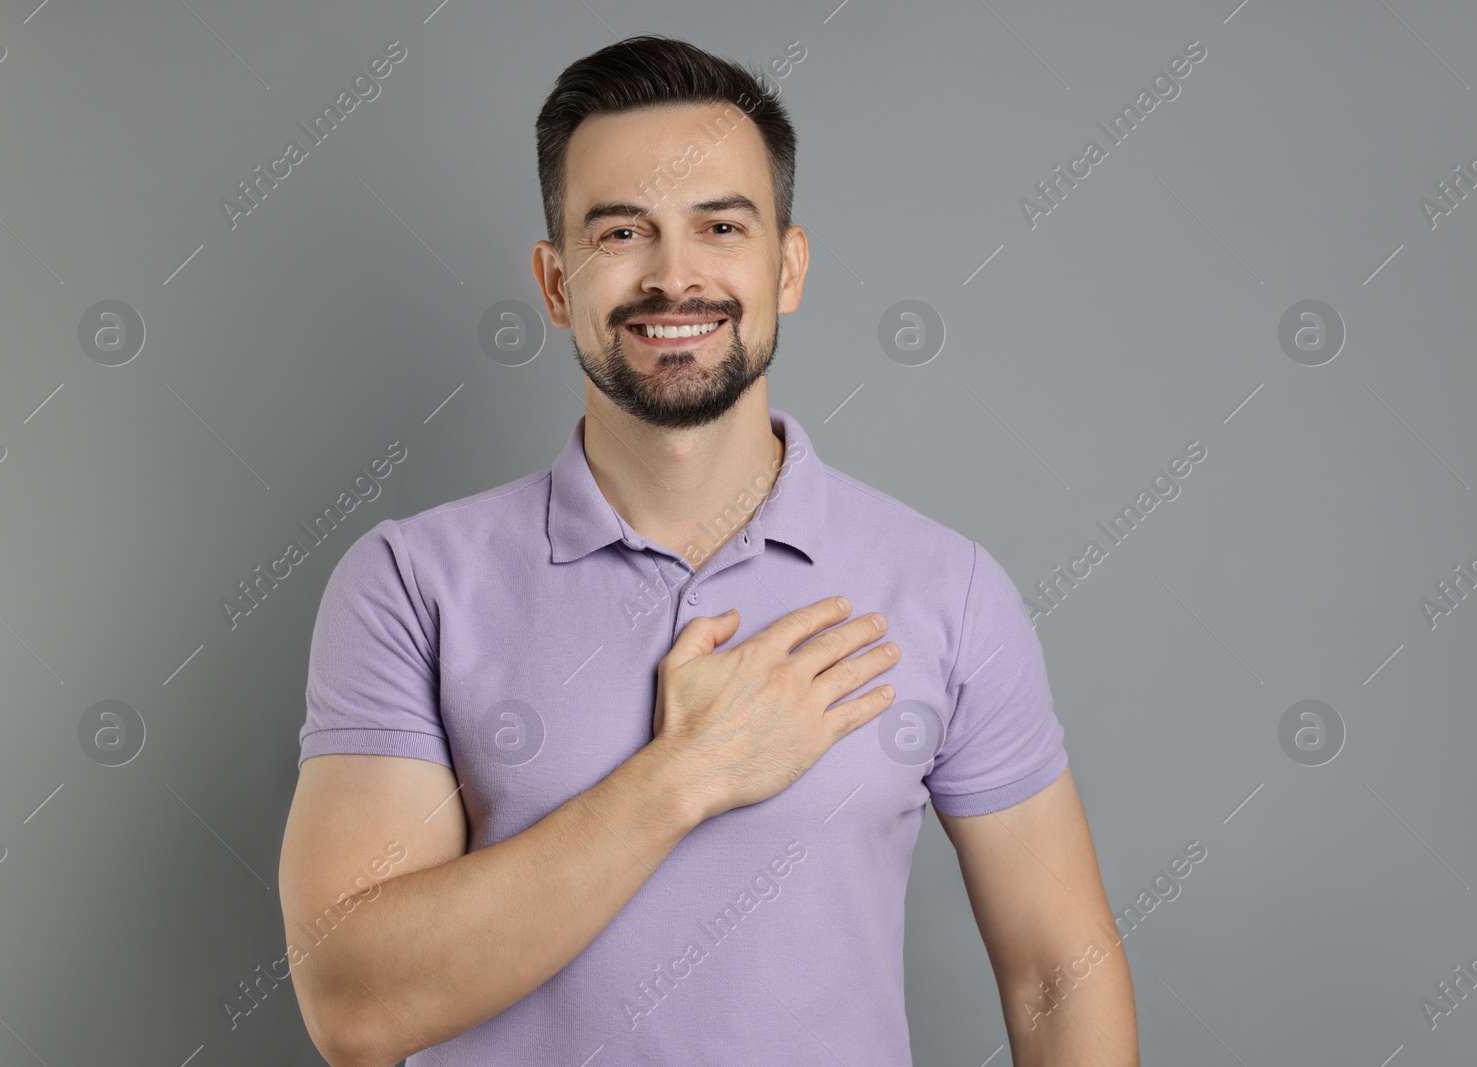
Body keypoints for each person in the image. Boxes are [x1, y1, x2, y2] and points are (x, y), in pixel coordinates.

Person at [278, 34, 1137, 1067]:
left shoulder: (947, 587)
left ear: (787, 266)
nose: (672, 275)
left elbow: (1056, 974)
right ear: (556, 284)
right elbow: (355, 1008)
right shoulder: (410, 583)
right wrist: (681, 775)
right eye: (621, 232)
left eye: (719, 227)